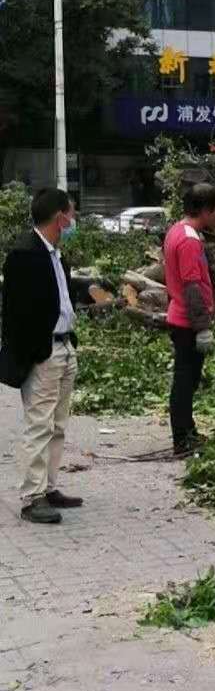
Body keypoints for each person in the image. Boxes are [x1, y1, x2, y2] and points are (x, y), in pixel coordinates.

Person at [0, 187, 83, 526]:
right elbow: (15, 314)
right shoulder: (24, 253)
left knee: (57, 425)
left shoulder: (55, 253)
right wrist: (35, 354)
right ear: (60, 216)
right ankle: (32, 497)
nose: (74, 220)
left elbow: (60, 295)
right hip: (43, 352)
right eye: (72, 213)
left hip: (65, 346)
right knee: (39, 425)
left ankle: (49, 486)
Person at [163, 183, 215, 457]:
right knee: (185, 381)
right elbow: (191, 286)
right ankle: (182, 439)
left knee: (187, 379)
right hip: (187, 321)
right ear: (205, 209)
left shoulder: (179, 230)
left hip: (181, 317)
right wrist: (202, 328)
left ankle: (188, 431)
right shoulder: (188, 240)